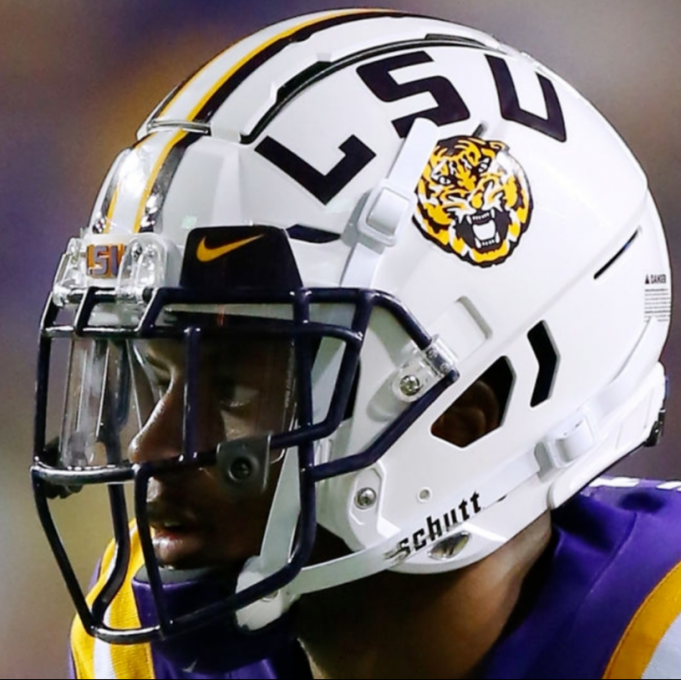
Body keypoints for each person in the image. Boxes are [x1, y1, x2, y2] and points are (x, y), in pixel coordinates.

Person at [31, 8, 678, 679]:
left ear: (465, 416)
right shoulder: (142, 650)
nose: (150, 449)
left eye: (231, 389)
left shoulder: (653, 642)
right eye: (159, 377)